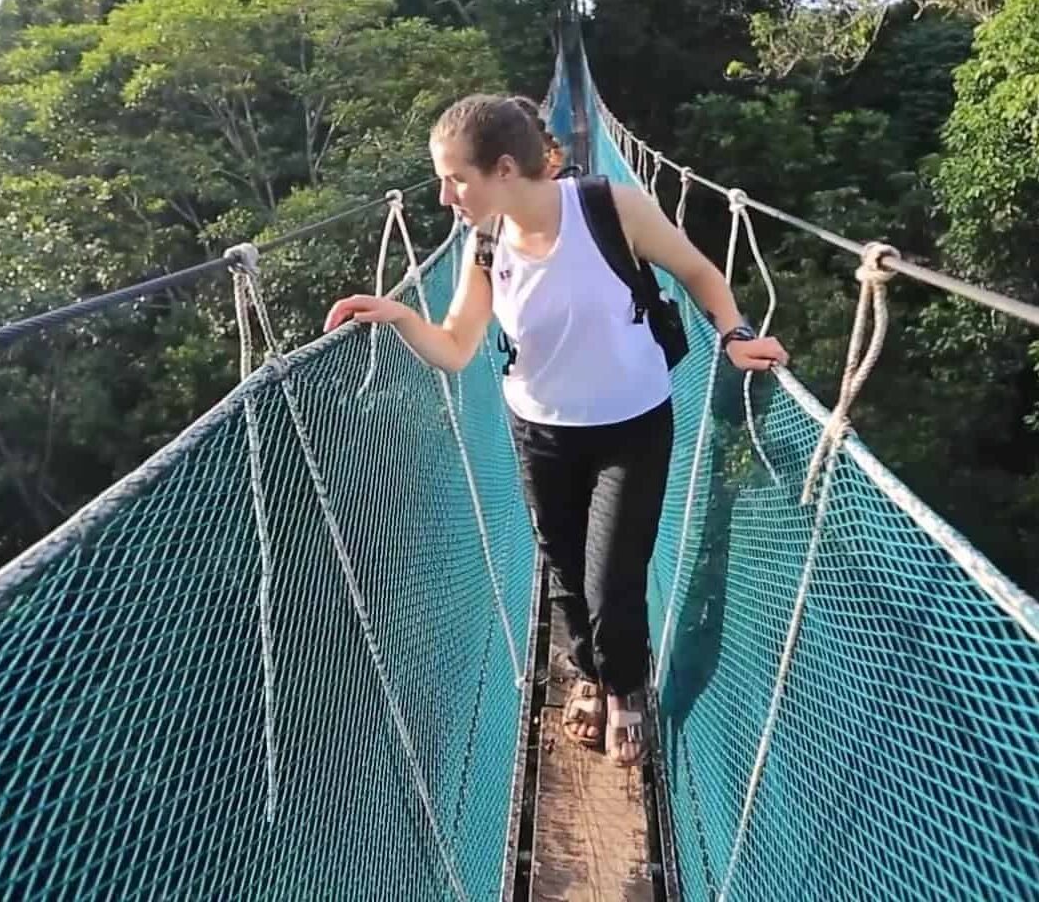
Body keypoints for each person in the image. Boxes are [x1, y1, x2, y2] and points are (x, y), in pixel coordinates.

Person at [323, 94, 788, 767]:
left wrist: (736, 334)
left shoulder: (609, 209)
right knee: (563, 567)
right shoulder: (483, 244)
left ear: (505, 169)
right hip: (540, 431)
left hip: (631, 426)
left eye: (456, 178)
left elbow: (696, 270)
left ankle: (627, 687)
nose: (446, 196)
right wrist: (397, 316)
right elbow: (455, 347)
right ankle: (589, 676)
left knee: (612, 578)